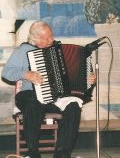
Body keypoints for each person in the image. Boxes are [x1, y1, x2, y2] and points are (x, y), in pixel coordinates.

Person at [2, 21, 96, 158]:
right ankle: (32, 153)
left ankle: (62, 154)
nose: (52, 39)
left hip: (57, 98)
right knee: (33, 102)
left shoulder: (58, 50)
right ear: (36, 39)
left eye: (51, 36)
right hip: (30, 94)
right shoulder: (24, 50)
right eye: (47, 38)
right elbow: (6, 72)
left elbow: (73, 77)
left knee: (74, 106)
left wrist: (87, 81)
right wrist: (27, 74)